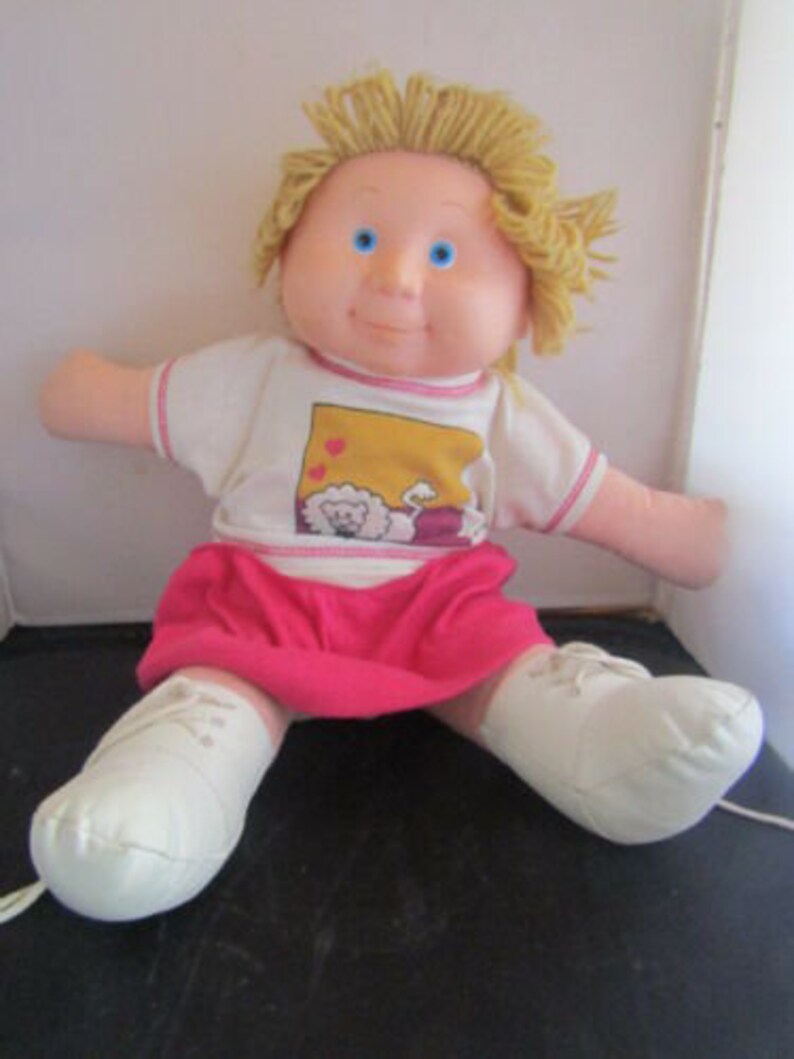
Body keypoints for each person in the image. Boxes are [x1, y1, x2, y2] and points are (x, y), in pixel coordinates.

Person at [27, 71, 762, 922]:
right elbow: (132, 402)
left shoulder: (500, 412)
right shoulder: (255, 377)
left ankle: (600, 741)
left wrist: (689, 534)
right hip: (267, 607)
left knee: (507, 668)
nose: (397, 278)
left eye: (444, 255)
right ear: (289, 243)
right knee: (220, 688)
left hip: (436, 611)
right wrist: (88, 392)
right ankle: (167, 785)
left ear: (526, 298)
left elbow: (603, 500)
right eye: (365, 237)